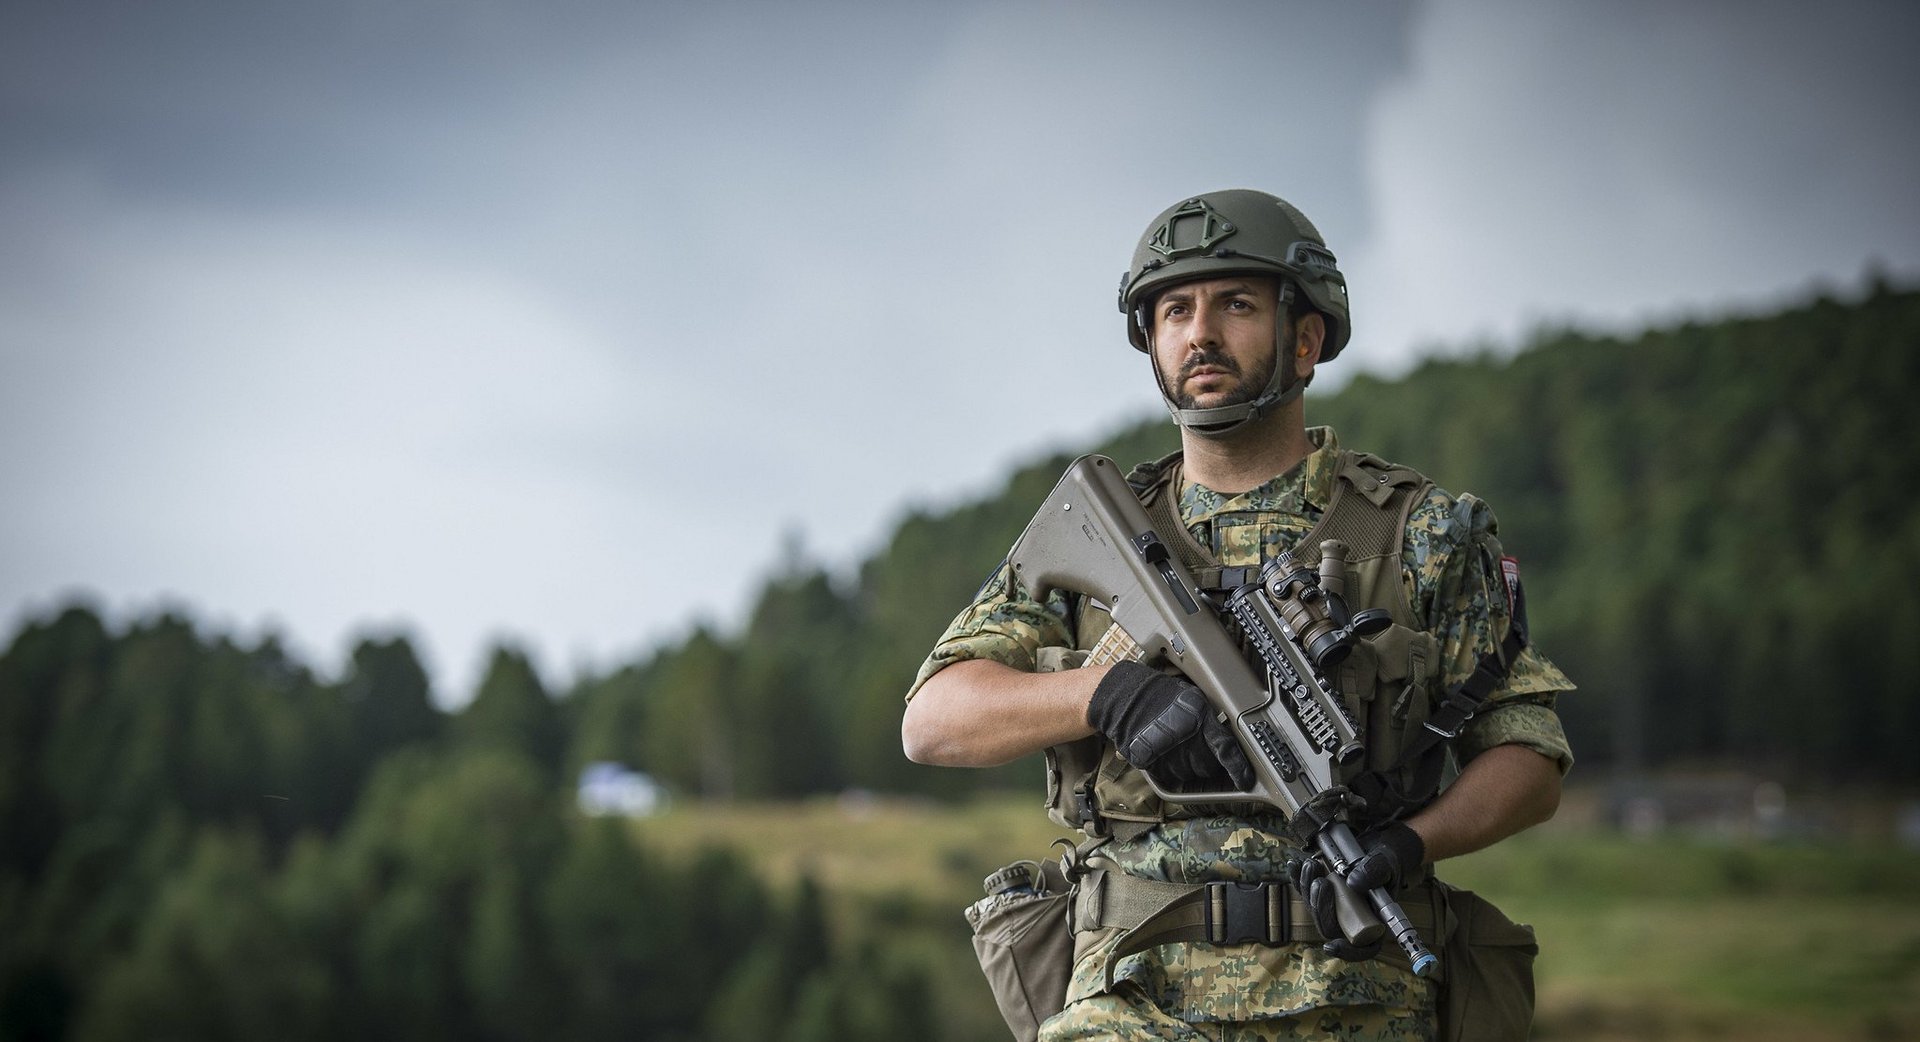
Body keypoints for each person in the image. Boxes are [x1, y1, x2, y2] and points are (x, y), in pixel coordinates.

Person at [901, 189, 1575, 1041]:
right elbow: (934, 721)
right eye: (1175, 310)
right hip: (1133, 994)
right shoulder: (1105, 533)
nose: (1200, 333)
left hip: (1358, 999)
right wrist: (1104, 694)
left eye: (1237, 305)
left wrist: (1414, 844)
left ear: (1307, 335)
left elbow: (1529, 757)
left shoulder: (1422, 532)